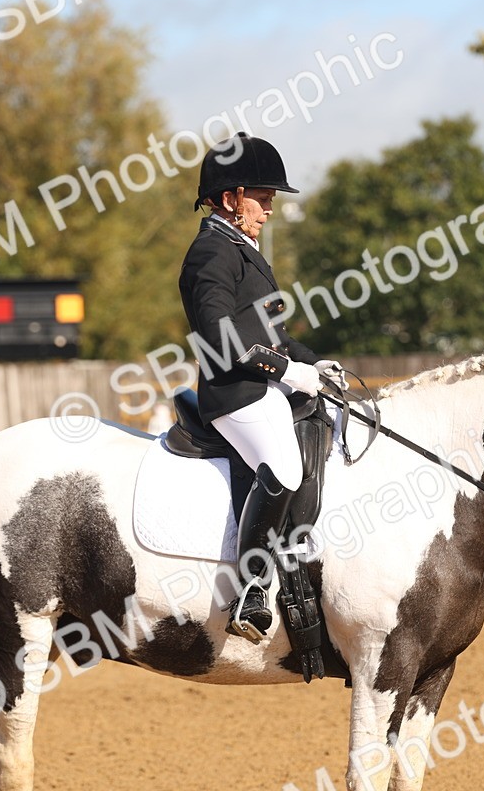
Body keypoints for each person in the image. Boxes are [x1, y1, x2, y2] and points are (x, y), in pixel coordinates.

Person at [178, 132, 345, 643]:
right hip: (234, 393)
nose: (269, 210)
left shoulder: (244, 250)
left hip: (262, 383)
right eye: (264, 200)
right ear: (232, 198)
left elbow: (274, 334)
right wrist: (289, 373)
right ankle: (250, 591)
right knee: (286, 468)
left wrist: (318, 363)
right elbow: (219, 338)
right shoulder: (211, 253)